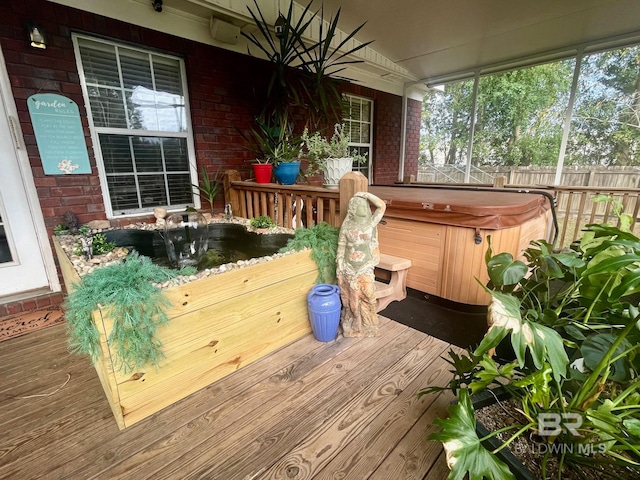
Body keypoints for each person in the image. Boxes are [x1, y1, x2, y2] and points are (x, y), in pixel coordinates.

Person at [336, 191, 386, 337]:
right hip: (348, 268)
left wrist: (366, 195)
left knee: (369, 295)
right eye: (363, 206)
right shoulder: (347, 227)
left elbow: (381, 206)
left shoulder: (370, 223)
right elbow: (341, 246)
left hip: (365, 267)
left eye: (366, 206)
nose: (366, 208)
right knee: (351, 302)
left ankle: (369, 324)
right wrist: (340, 264)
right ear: (354, 209)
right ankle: (354, 325)